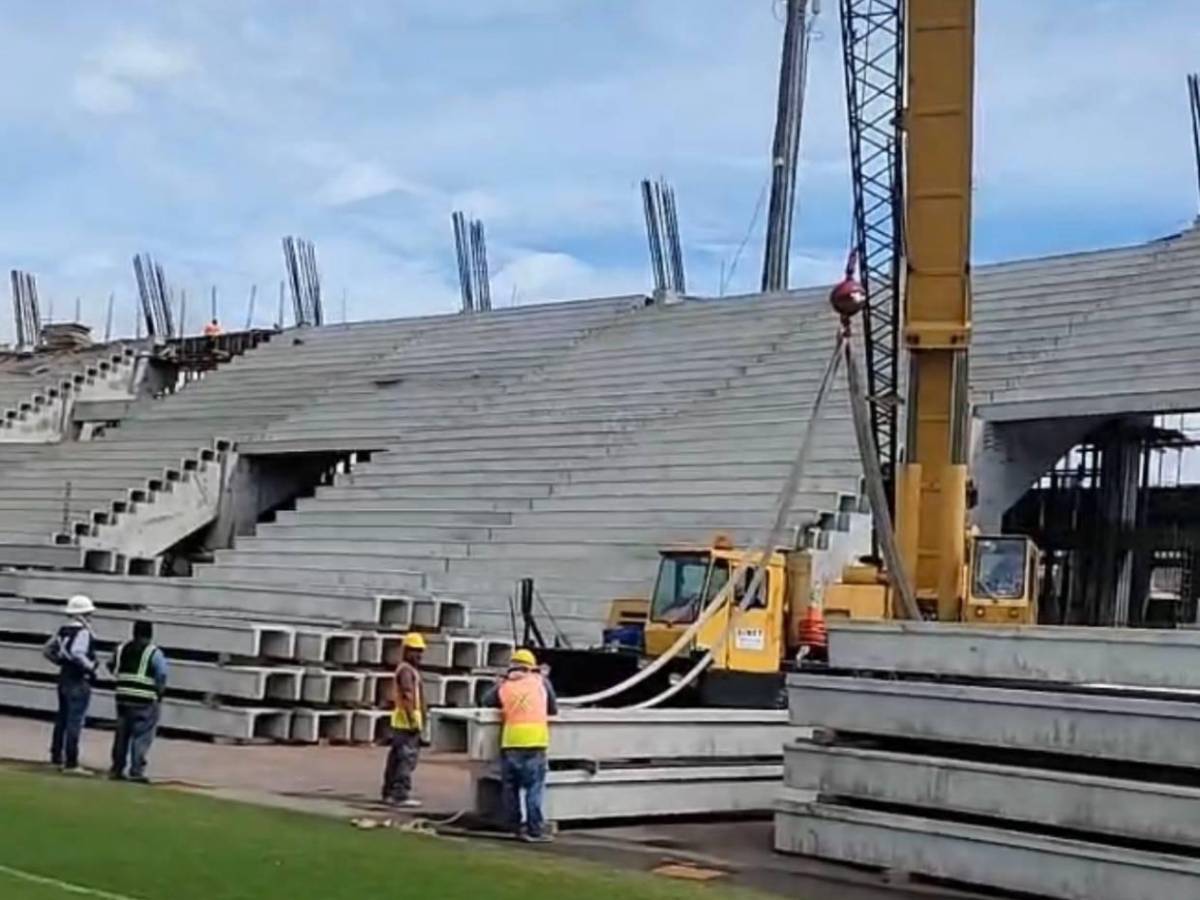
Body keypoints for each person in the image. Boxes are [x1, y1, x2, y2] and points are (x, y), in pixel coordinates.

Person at [483, 648, 558, 842]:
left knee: (511, 788)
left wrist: (498, 683)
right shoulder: (541, 682)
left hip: (510, 742)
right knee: (534, 788)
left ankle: (514, 827)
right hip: (535, 741)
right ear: (531, 667)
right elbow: (553, 708)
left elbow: (485, 701)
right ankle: (535, 830)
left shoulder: (504, 686)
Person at [43, 594, 99, 774]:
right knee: (75, 720)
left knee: (62, 718)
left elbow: (48, 650)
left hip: (64, 677)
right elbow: (77, 652)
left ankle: (56, 755)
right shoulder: (83, 632)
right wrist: (90, 667)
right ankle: (71, 762)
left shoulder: (63, 631)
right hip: (78, 678)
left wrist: (60, 661)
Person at [109, 620, 168, 783]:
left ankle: (117, 768)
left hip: (122, 697)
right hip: (144, 699)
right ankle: (136, 771)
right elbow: (161, 673)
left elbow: (111, 666)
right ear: (150, 634)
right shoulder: (153, 652)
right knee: (142, 735)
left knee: (122, 734)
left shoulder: (121, 649)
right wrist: (159, 692)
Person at [381, 633, 427, 808]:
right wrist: (413, 720)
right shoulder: (406, 671)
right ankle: (400, 794)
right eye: (415, 651)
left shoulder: (407, 669)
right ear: (406, 651)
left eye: (420, 651)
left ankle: (389, 792)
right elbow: (408, 696)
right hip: (406, 722)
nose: (419, 655)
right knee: (405, 759)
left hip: (403, 721)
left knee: (396, 758)